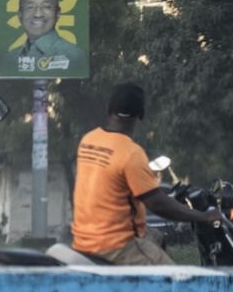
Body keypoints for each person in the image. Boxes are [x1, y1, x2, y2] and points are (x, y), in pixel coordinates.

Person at [70, 83, 223, 265]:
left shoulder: (89, 140)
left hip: (84, 237)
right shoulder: (131, 154)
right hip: (116, 244)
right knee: (178, 283)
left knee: (157, 236)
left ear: (109, 109)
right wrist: (203, 217)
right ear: (141, 115)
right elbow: (158, 204)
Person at [2, 0, 86, 76]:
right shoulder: (9, 59)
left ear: (57, 14)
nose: (38, 14)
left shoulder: (73, 56)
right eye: (30, 7)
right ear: (20, 15)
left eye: (46, 7)